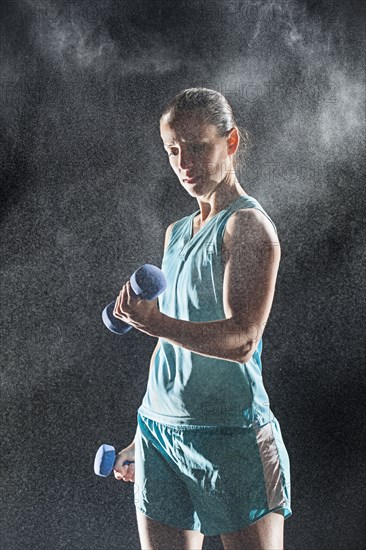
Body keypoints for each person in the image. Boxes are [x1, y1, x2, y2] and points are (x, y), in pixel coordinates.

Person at [112, 88, 292, 549]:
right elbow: (169, 342)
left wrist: (153, 322)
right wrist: (139, 434)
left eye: (198, 146)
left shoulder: (247, 227)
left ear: (230, 142)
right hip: (159, 430)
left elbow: (242, 340)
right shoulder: (176, 232)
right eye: (174, 150)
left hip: (230, 434)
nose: (184, 162)